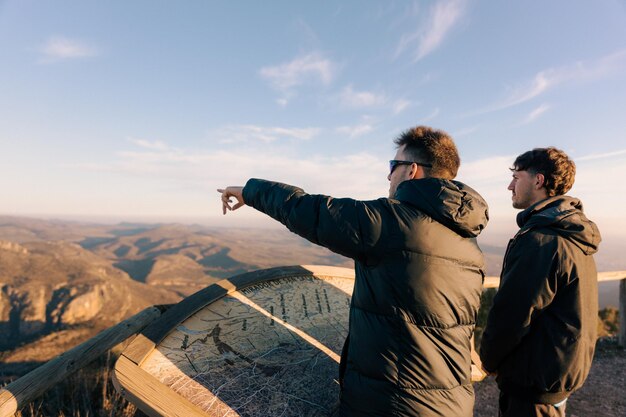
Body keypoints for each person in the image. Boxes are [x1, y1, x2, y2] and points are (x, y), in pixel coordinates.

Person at [218, 126, 489, 417]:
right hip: (453, 403)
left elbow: (312, 211)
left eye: (392, 165)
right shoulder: (468, 245)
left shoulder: (394, 222)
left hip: (394, 405)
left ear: (411, 170)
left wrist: (250, 191)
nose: (388, 175)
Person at [479, 147, 601, 417]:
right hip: (555, 379)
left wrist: (488, 360)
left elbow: (513, 314)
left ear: (538, 181)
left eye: (516, 176)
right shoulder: (573, 233)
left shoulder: (542, 240)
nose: (510, 185)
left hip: (532, 387)